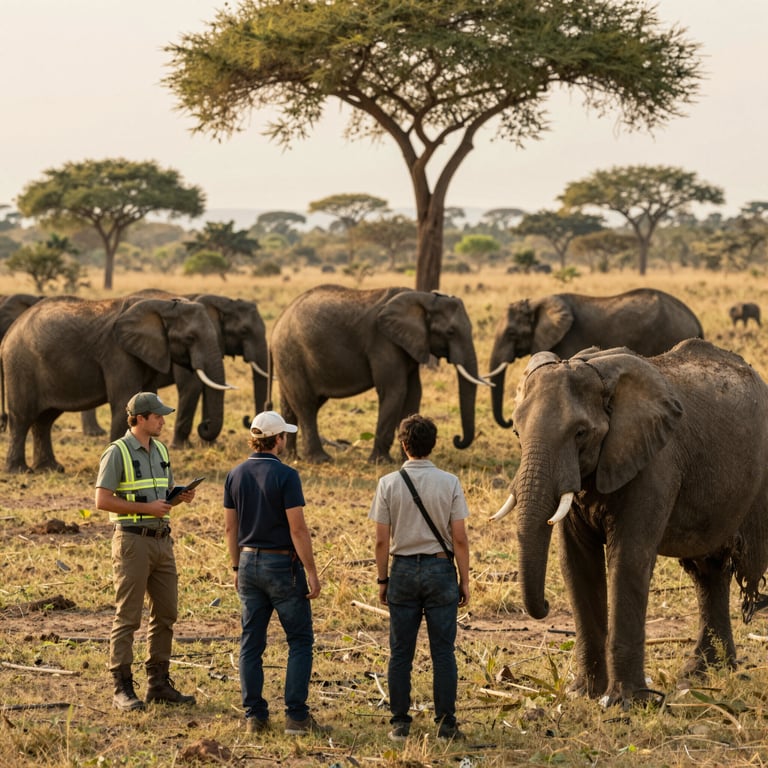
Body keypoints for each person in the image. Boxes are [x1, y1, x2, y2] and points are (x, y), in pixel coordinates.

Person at [224, 410, 330, 736]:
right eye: (285, 435)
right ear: (279, 439)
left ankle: (255, 717)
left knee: (251, 643)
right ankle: (296, 717)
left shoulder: (235, 474)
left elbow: (231, 527)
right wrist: (311, 571)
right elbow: (298, 529)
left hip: (248, 561)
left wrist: (236, 566)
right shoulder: (287, 476)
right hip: (282, 565)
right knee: (299, 639)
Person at [369, 414, 470, 742]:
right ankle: (446, 725)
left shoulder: (388, 483)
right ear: (434, 444)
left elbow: (382, 540)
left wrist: (382, 579)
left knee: (400, 651)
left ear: (402, 444)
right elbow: (460, 539)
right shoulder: (450, 482)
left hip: (402, 570)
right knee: (443, 651)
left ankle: (399, 722)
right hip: (441, 570)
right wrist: (464, 580)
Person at [95, 391, 198, 712]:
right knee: (128, 616)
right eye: (157, 417)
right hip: (132, 541)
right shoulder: (117, 452)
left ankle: (158, 682)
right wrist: (148, 508)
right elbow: (102, 500)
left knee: (166, 613)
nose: (163, 421)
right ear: (139, 419)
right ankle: (122, 687)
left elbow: (160, 495)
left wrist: (176, 497)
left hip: (161, 540)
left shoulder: (161, 449)